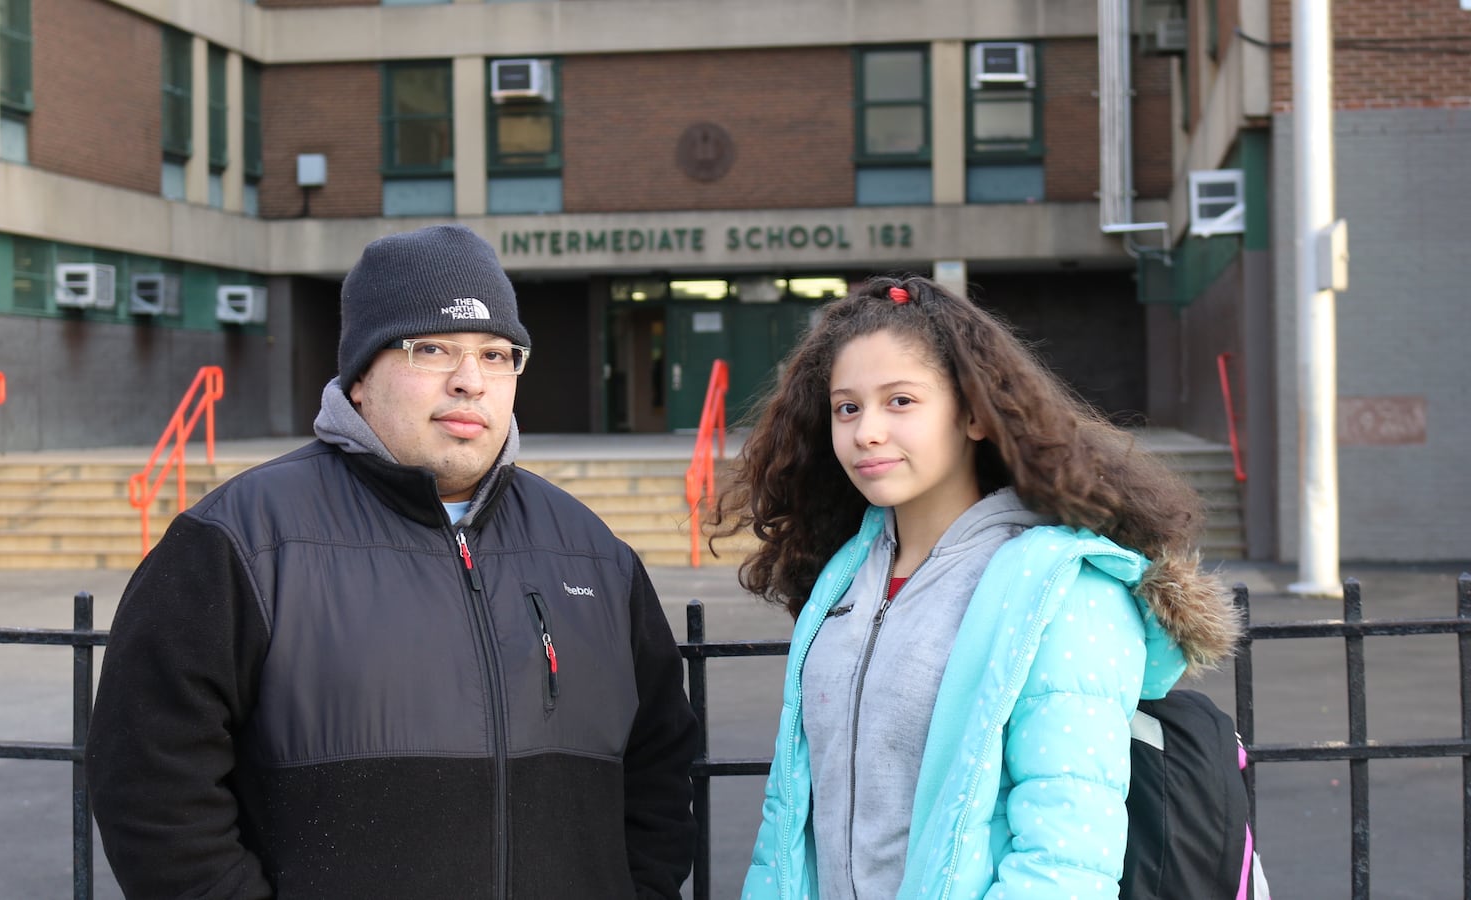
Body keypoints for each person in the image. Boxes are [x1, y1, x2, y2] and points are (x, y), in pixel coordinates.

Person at [87, 225, 699, 899]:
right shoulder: (238, 543)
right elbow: (151, 791)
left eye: (497, 355)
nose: (470, 382)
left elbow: (659, 776)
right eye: (431, 348)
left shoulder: (592, 553)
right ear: (359, 378)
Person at [718, 275, 1242, 899]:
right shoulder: (843, 579)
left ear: (972, 414)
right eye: (847, 407)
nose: (867, 432)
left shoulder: (1063, 588)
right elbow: (789, 817)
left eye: (901, 401)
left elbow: (1064, 859)